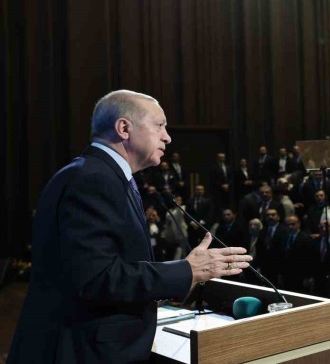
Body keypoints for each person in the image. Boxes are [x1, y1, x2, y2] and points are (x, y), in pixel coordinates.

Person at [9, 90, 251, 363]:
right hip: (80, 351)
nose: (167, 137)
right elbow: (96, 278)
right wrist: (187, 270)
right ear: (124, 128)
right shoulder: (92, 179)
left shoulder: (105, 175)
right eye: (159, 125)